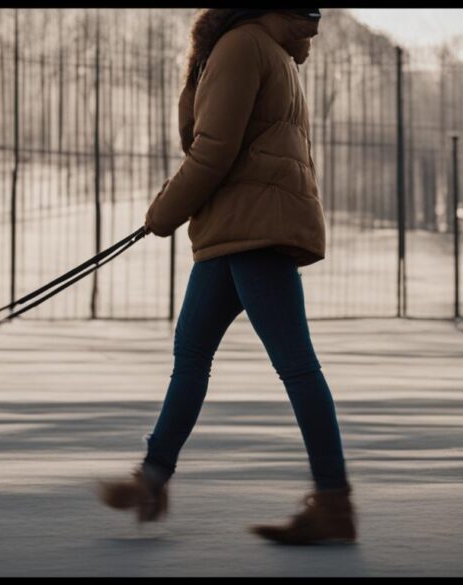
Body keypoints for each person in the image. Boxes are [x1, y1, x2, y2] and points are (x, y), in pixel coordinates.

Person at [97, 8, 356, 545]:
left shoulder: (243, 45)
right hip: (232, 228)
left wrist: (160, 215)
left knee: (296, 366)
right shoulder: (267, 50)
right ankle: (152, 478)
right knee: (191, 358)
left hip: (251, 229)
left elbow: (212, 150)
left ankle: (333, 502)